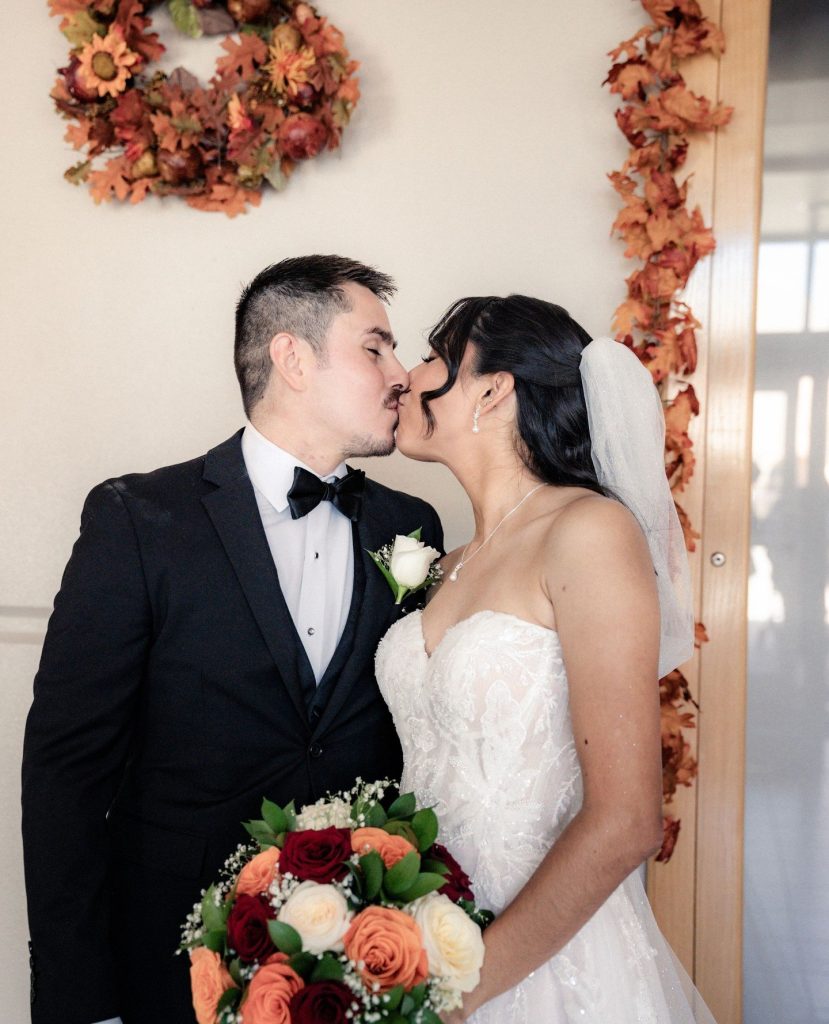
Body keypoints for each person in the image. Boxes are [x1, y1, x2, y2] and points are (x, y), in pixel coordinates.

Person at [21, 255, 443, 1024]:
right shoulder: (139, 519)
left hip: (355, 966)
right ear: (292, 358)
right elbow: (65, 773)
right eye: (375, 348)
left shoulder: (410, 526)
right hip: (167, 964)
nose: (401, 375)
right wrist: (80, 997)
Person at [378, 294, 715, 1022]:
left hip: (544, 964)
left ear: (493, 389)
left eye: (432, 357)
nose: (406, 374)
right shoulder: (445, 565)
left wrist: (459, 995)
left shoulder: (588, 532)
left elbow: (627, 818)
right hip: (421, 938)